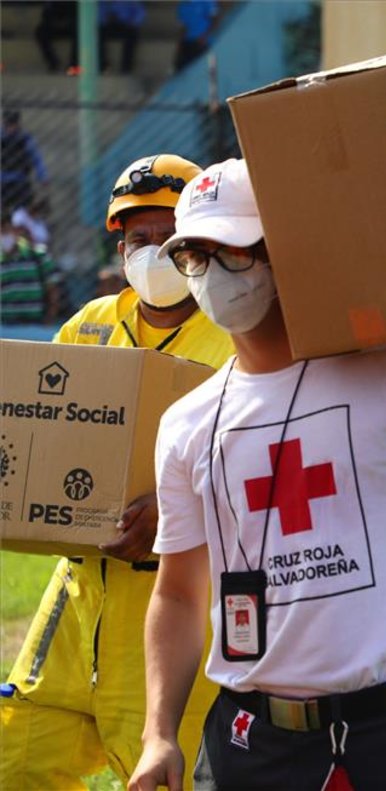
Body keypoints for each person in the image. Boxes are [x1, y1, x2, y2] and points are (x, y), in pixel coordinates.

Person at [126, 158, 386, 790]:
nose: (211, 276)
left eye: (232, 251)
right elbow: (179, 592)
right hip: (247, 740)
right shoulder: (187, 423)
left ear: (284, 252)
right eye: (195, 256)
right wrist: (159, 733)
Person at [0, 154, 230, 790]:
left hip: (170, 598)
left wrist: (176, 512)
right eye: (138, 240)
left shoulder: (236, 336)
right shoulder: (90, 326)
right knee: (18, 755)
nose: (152, 254)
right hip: (76, 592)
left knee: (156, 767)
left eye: (168, 239)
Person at [0, 207, 58, 325]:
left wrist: (50, 318)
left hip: (36, 325)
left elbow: (53, 290)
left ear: (16, 231)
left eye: (6, 230)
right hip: (5, 327)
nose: (3, 236)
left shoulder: (38, 256)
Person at [1, 110, 48, 213]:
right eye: (8, 125)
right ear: (4, 123)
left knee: (20, 214)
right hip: (2, 180)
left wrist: (43, 176)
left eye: (13, 125)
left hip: (20, 179)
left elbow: (36, 158)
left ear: (18, 124)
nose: (11, 128)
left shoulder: (25, 138)